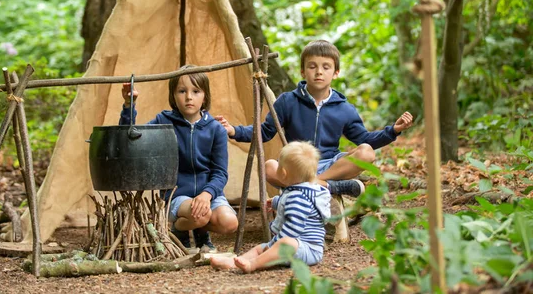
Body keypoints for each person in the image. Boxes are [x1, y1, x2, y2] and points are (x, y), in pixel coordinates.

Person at [216, 40, 413, 197]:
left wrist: (393, 130)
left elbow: (365, 140)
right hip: (297, 164)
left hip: (330, 164)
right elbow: (265, 132)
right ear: (303, 71)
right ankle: (328, 186)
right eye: (312, 66)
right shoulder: (287, 101)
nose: (319, 72)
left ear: (335, 73)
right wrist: (234, 131)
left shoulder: (344, 108)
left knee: (366, 153)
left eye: (326, 67)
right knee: (269, 167)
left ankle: (316, 182)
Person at [120, 66, 238, 253]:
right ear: (173, 96)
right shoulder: (163, 121)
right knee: (201, 214)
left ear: (205, 96)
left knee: (230, 222)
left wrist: (207, 194)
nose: (189, 97)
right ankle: (180, 229)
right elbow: (131, 137)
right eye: (182, 91)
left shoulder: (215, 129)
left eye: (195, 91)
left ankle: (200, 230)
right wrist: (129, 105)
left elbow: (220, 173)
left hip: (208, 195)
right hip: (176, 194)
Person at [211, 141, 330, 273]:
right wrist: (275, 202)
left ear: (283, 173)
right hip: (296, 246)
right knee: (259, 248)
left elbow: (292, 230)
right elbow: (289, 204)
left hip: (307, 250)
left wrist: (273, 245)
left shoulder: (298, 198)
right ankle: (234, 262)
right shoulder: (301, 192)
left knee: (283, 244)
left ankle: (252, 264)